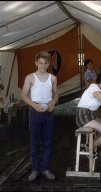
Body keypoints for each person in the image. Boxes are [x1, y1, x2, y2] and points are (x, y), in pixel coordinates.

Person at [21, 51, 59, 181]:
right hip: (35, 112)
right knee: (34, 142)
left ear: (49, 64)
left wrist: (53, 102)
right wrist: (34, 105)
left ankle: (46, 168)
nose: (43, 66)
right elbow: (23, 96)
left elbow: (56, 94)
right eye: (40, 63)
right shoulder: (30, 77)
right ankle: (35, 169)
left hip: (48, 112)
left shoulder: (52, 78)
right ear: (36, 63)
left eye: (46, 63)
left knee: (48, 142)